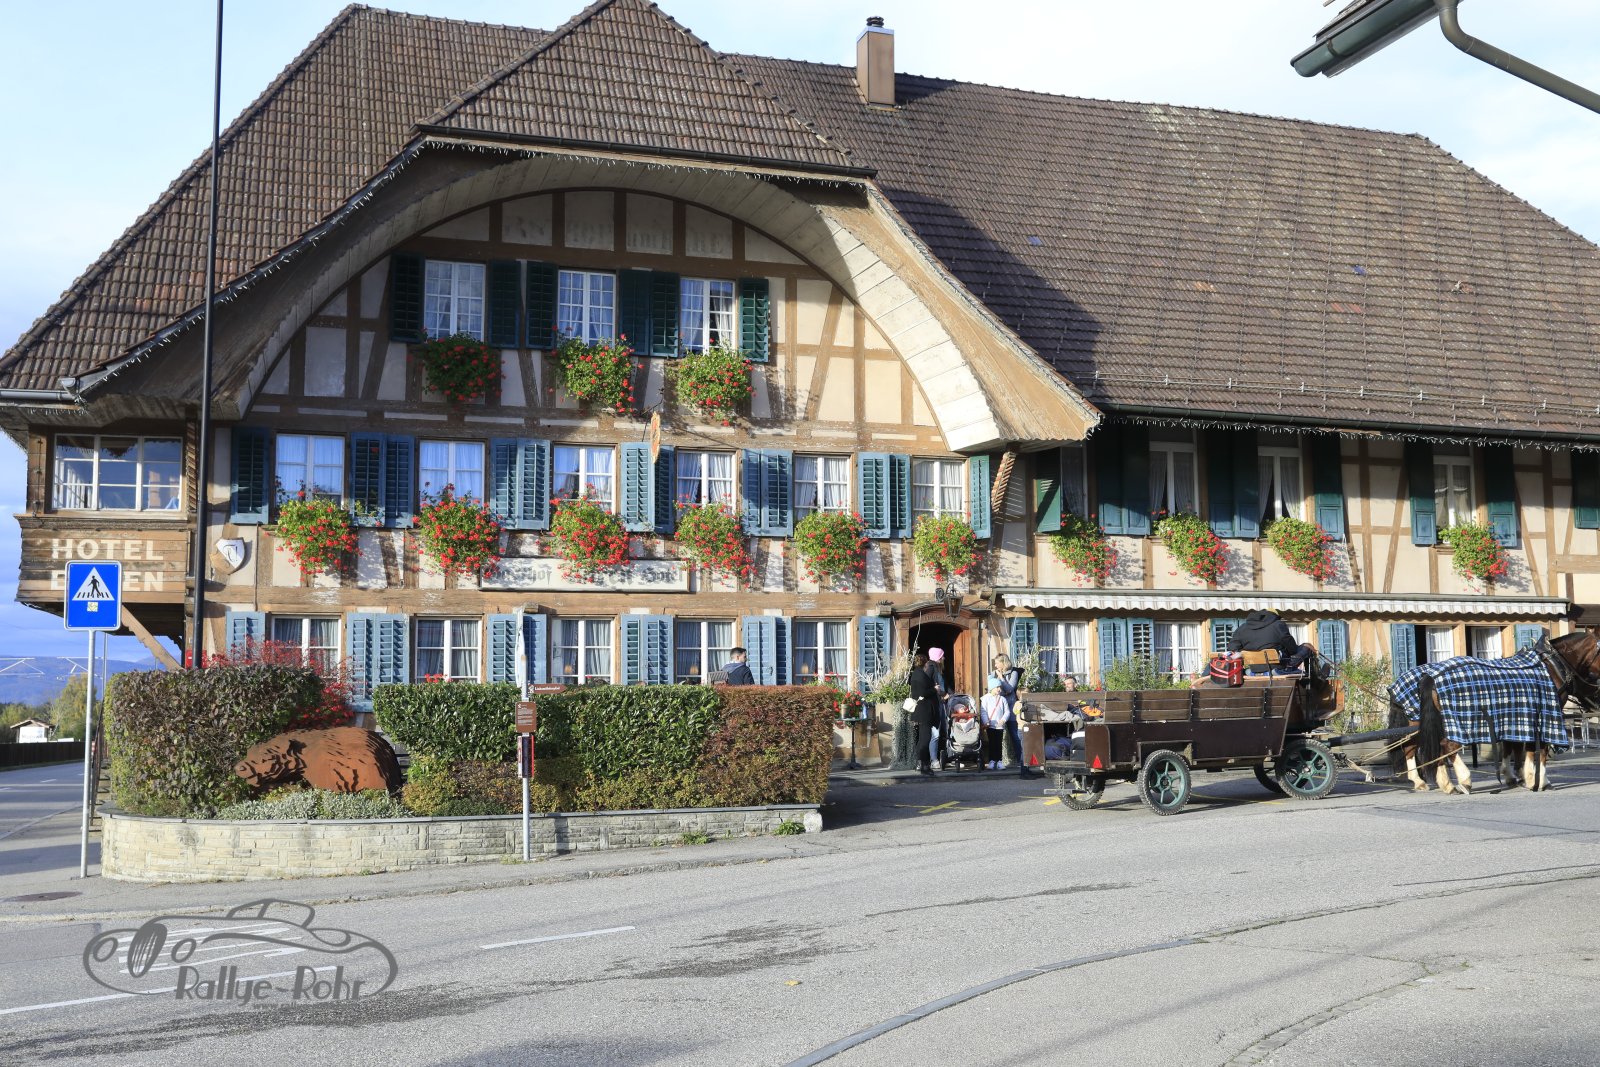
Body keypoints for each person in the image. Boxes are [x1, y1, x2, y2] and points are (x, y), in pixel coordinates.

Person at [1227, 610, 1314, 674]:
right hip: (1277, 666)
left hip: (1252, 669)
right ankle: (1312, 680)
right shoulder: (1278, 624)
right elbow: (1292, 648)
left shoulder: (1242, 628)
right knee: (1307, 647)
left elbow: (1232, 648)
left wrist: (1248, 653)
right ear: (1274, 616)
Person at [987, 653, 1024, 770]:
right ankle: (995, 760)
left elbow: (1010, 689)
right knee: (996, 737)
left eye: (997, 663)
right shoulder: (993, 673)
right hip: (998, 709)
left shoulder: (1013, 673)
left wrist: (1001, 679)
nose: (995, 665)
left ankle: (1021, 760)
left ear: (1004, 663)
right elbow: (991, 689)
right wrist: (996, 681)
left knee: (1015, 735)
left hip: (1011, 708)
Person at [908, 652, 941, 775]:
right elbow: (922, 693)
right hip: (924, 710)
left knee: (923, 738)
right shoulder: (920, 675)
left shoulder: (916, 674)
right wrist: (934, 689)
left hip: (921, 710)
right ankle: (924, 765)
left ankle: (920, 763)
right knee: (925, 738)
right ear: (924, 663)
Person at [978, 684, 1012, 770]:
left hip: (1000, 725)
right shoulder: (986, 698)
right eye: (997, 687)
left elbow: (1007, 711)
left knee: (999, 743)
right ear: (992, 688)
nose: (999, 689)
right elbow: (983, 711)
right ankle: (992, 761)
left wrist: (1003, 719)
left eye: (1000, 687)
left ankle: (999, 761)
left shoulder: (1002, 699)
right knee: (992, 743)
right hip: (990, 725)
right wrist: (986, 721)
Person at [927, 647, 950, 769]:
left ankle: (947, 757)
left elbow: (944, 685)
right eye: (942, 656)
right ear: (938, 658)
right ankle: (934, 760)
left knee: (945, 731)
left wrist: (951, 694)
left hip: (941, 703)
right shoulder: (931, 667)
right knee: (935, 733)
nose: (944, 658)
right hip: (935, 704)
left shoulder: (938, 669)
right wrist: (941, 694)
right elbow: (929, 686)